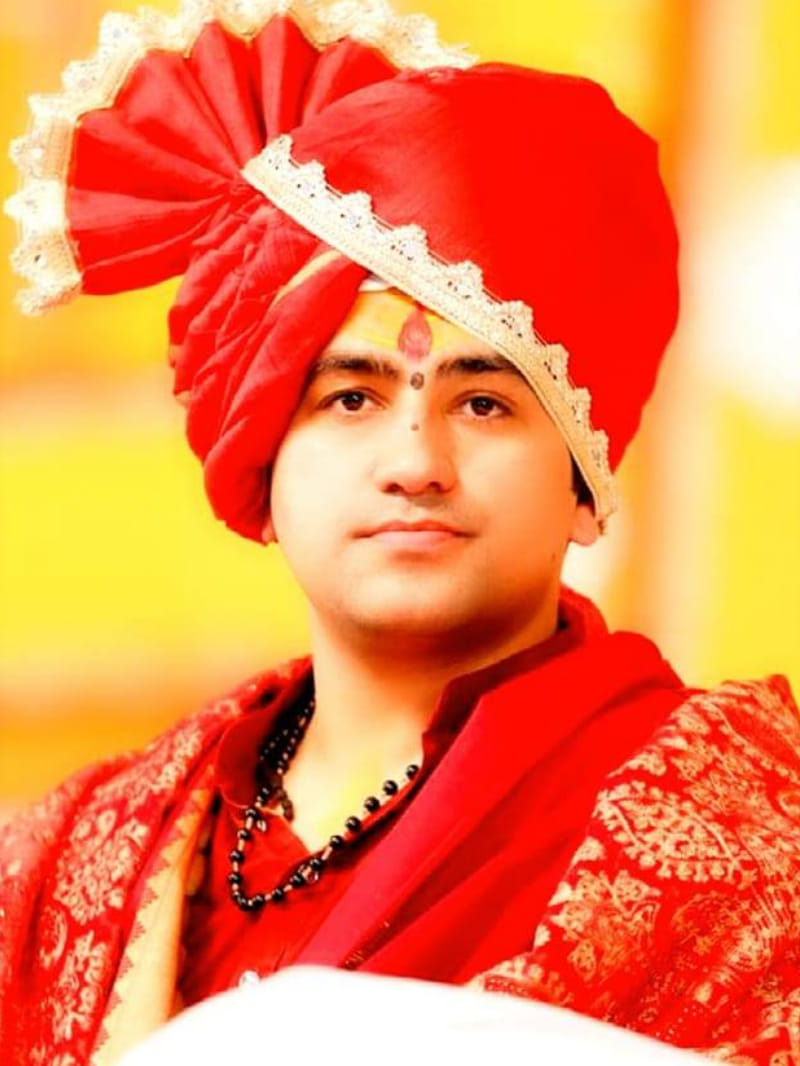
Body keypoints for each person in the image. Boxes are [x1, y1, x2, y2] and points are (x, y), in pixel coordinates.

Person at [2, 1, 799, 1064]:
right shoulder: (65, 862)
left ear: (583, 482)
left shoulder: (745, 852)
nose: (415, 460)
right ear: (260, 455)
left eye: (485, 404)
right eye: (350, 398)